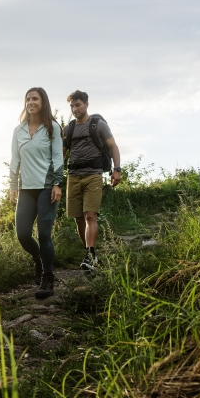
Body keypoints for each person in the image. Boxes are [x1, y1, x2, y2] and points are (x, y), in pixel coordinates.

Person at [9, 87, 64, 299]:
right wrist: (13, 185)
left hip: (47, 187)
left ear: (43, 102)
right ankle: (39, 259)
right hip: (26, 189)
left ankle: (48, 278)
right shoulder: (18, 130)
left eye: (35, 99)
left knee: (43, 233)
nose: (31, 102)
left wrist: (57, 183)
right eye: (28, 99)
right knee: (22, 234)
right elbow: (15, 159)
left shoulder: (52, 128)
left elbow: (58, 158)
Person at [63, 90, 121, 271]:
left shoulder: (98, 125)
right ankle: (90, 254)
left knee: (90, 215)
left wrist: (117, 170)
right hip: (73, 176)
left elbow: (113, 146)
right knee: (78, 218)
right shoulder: (69, 129)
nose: (75, 109)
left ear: (87, 104)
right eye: (72, 106)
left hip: (93, 175)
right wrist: (54, 178)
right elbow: (61, 155)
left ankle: (90, 254)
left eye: (78, 104)